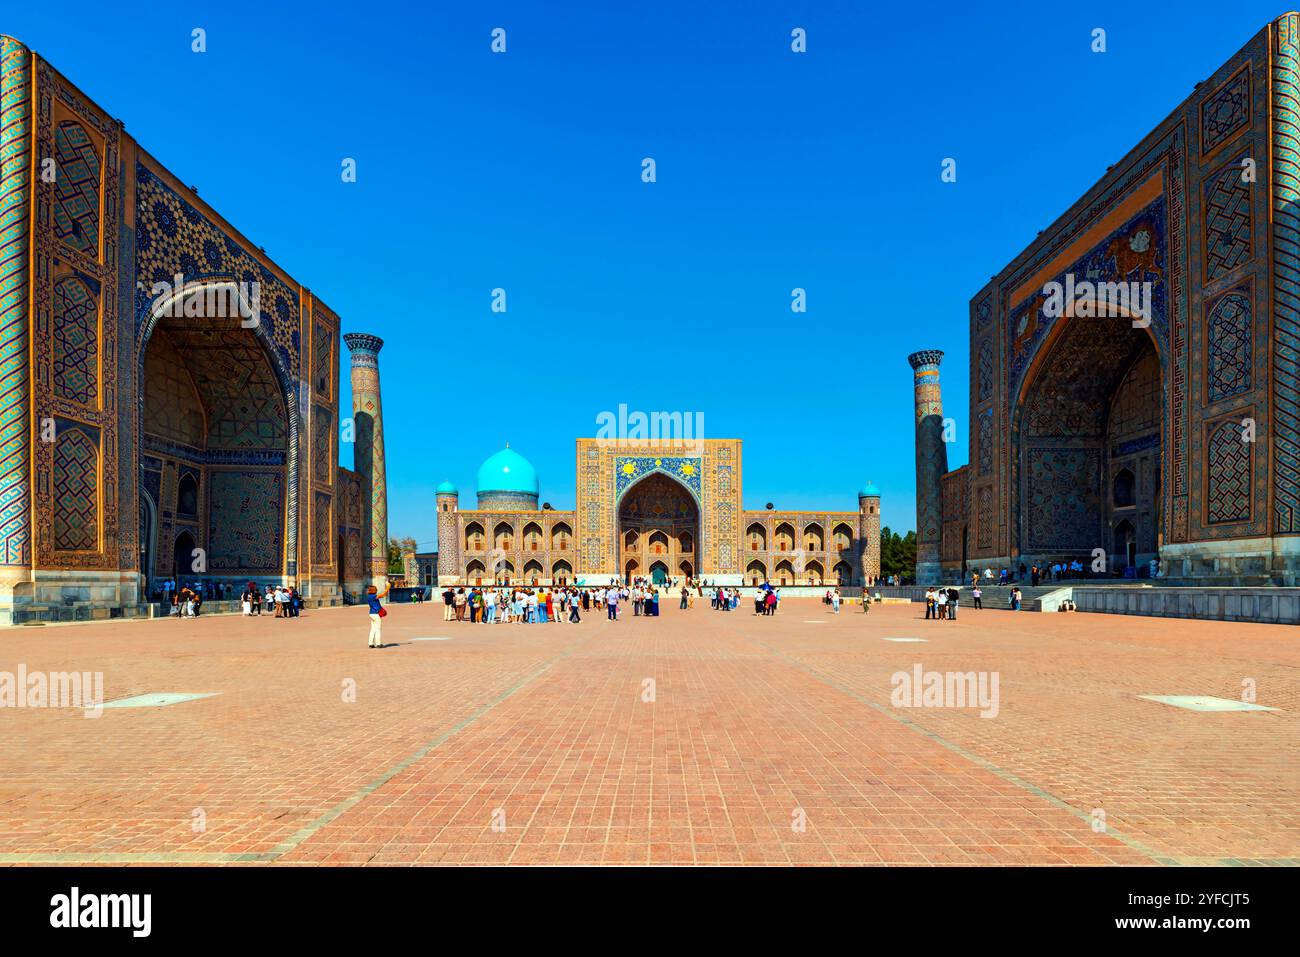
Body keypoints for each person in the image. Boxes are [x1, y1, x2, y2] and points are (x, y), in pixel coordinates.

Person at [365, 582, 390, 648]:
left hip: (371, 613)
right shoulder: (373, 596)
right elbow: (383, 594)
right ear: (373, 590)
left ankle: (370, 643)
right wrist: (388, 587)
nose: (376, 590)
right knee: (378, 629)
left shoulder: (369, 596)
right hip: (376, 614)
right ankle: (378, 644)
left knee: (373, 629)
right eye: (376, 589)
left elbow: (383, 595)